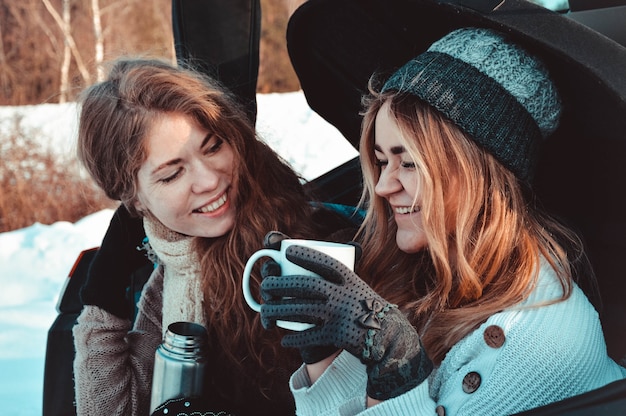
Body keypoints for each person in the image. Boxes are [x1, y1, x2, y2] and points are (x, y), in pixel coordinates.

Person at [258, 27, 626, 415]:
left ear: (479, 174)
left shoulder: (535, 337)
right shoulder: (422, 274)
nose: (383, 186)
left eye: (409, 163)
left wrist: (397, 372)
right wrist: (325, 354)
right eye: (382, 161)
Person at [72, 57, 357, 415]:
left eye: (213, 147)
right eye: (172, 174)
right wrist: (103, 290)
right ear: (134, 199)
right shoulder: (174, 279)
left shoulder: (314, 244)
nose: (209, 180)